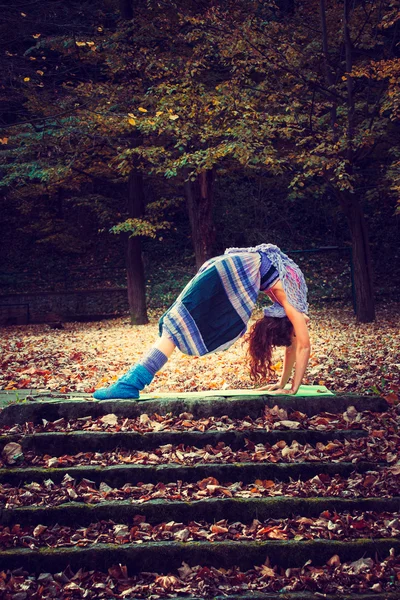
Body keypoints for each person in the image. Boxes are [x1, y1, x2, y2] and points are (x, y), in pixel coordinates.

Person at [93, 243, 311, 400]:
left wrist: (285, 384)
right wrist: (294, 388)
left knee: (177, 325)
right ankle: (130, 383)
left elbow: (294, 345)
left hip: (224, 269)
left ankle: (131, 382)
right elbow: (303, 345)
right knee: (177, 324)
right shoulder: (291, 304)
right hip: (225, 274)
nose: (299, 331)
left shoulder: (292, 301)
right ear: (289, 322)